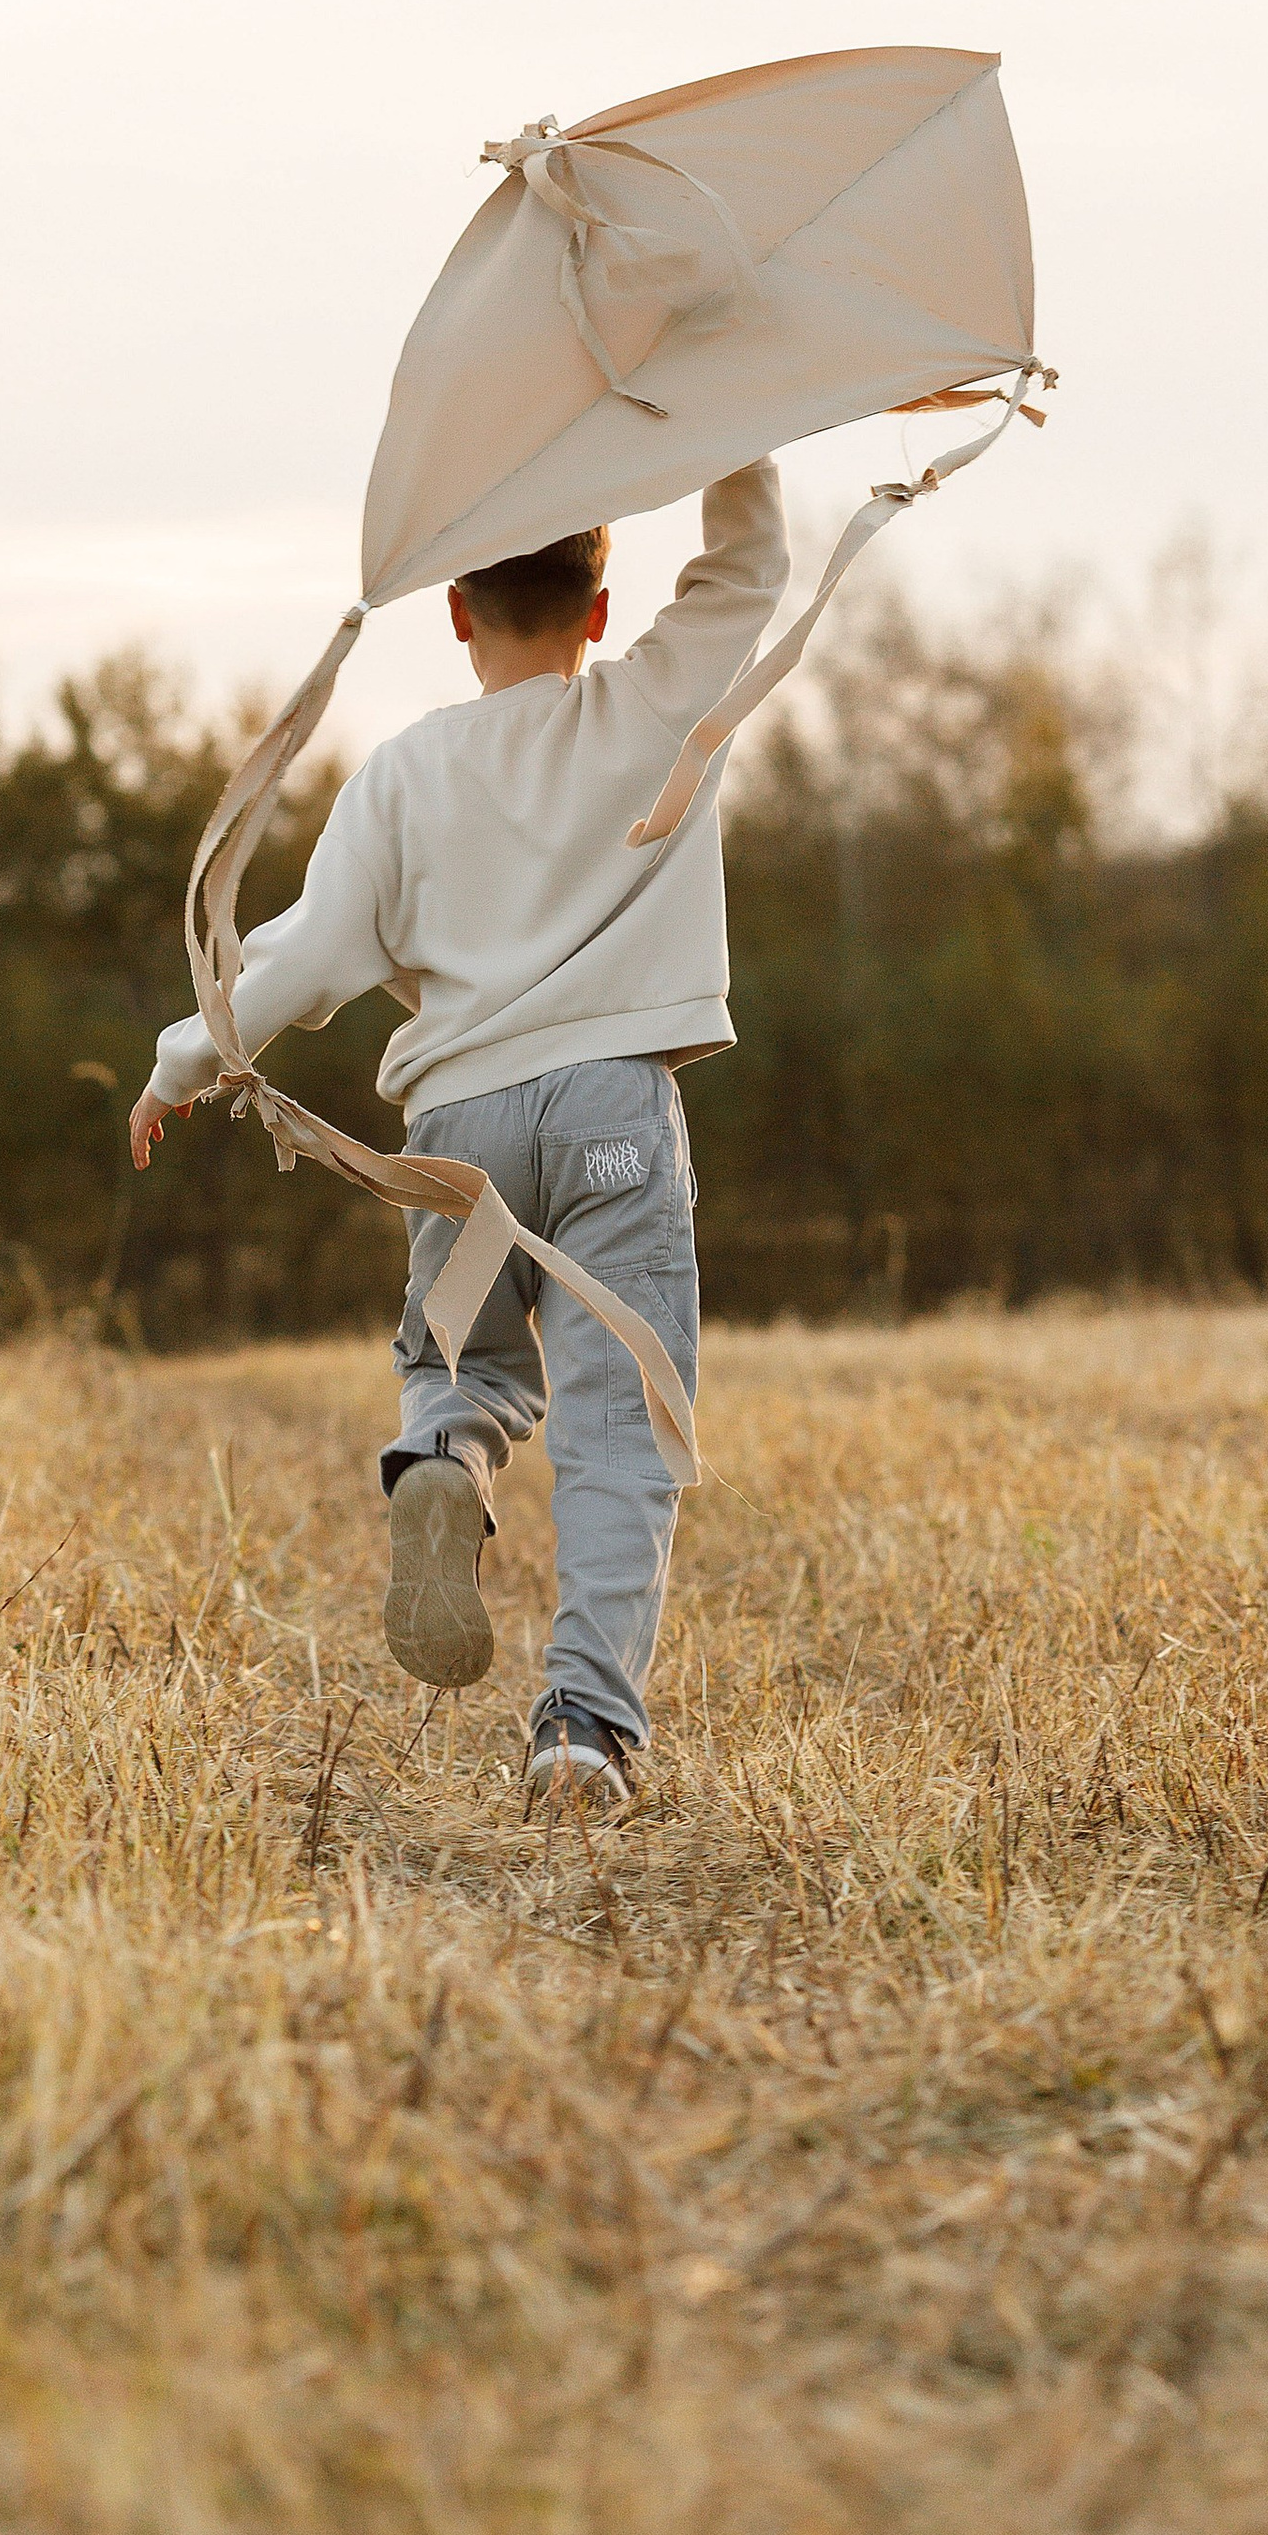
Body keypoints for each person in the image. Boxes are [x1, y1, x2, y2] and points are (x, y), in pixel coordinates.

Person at [129, 465, 788, 1803]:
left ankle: (444, 1462)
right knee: (619, 1432)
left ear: (453, 612)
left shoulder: (403, 774)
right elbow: (747, 575)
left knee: (463, 1363)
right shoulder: (659, 705)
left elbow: (306, 960)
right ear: (600, 612)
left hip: (465, 1143)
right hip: (611, 1127)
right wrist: (738, 424)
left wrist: (184, 1061)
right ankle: (581, 1731)